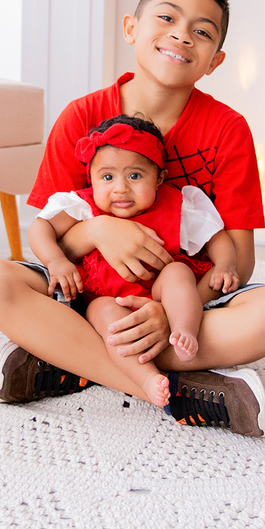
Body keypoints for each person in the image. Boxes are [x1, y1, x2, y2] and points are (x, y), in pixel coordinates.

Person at [0, 0, 265, 438]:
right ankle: (171, 388)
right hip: (89, 296)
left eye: (201, 31)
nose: (182, 35)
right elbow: (50, 239)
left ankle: (67, 358)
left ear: (215, 61)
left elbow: (239, 265)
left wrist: (170, 312)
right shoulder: (82, 115)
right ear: (132, 27)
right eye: (167, 18)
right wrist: (101, 230)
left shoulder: (228, 130)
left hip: (184, 303)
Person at [29, 114, 239, 408]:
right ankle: (146, 379)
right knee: (105, 316)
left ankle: (184, 332)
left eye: (135, 176)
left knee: (179, 272)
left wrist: (225, 265)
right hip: (107, 297)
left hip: (159, 293)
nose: (120, 188)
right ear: (91, 178)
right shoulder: (82, 205)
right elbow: (40, 227)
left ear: (159, 178)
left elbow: (216, 237)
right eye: (107, 177)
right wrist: (55, 261)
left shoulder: (177, 205)